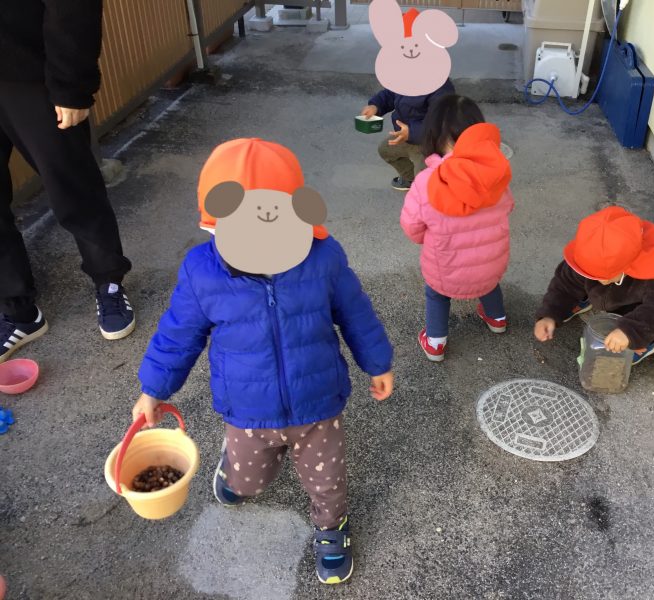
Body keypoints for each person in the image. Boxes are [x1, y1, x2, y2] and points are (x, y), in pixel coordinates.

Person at [131, 139, 394, 585]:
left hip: (317, 403)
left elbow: (355, 313)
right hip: (248, 408)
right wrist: (153, 389)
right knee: (249, 482)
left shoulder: (323, 257)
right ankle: (234, 473)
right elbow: (178, 334)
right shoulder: (202, 271)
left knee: (327, 482)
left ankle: (331, 528)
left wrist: (378, 362)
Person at [0, 0, 135, 363]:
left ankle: (108, 281)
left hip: (30, 69)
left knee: (73, 185)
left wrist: (70, 85)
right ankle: (18, 310)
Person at [400, 95, 514, 362]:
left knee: (437, 294)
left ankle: (435, 343)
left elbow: (412, 228)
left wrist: (429, 237)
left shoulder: (426, 181)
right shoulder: (496, 174)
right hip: (490, 266)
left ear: (434, 135)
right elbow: (508, 206)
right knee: (488, 284)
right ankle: (497, 318)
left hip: (446, 269)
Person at [534, 206, 654, 364]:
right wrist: (550, 313)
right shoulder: (589, 250)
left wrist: (630, 332)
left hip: (635, 305)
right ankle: (582, 298)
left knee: (646, 325)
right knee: (578, 282)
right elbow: (565, 283)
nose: (595, 279)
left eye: (599, 277)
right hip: (610, 289)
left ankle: (645, 343)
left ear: (627, 267)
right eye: (588, 274)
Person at [361, 78, 454, 192]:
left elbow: (439, 123)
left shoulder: (441, 88)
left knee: (425, 180)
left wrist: (411, 132)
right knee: (385, 150)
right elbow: (390, 94)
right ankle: (411, 179)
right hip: (405, 136)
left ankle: (431, 190)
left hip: (429, 143)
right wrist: (376, 106)